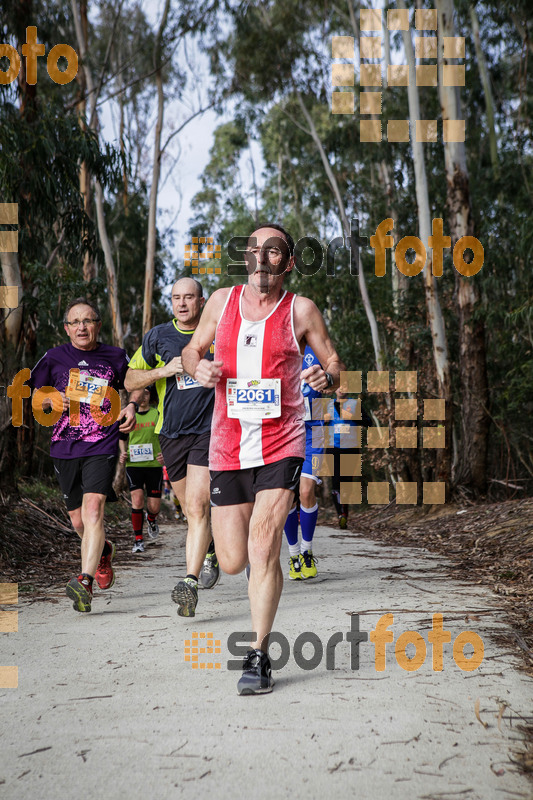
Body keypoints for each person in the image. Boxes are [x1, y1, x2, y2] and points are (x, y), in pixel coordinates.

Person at [182, 223, 344, 695]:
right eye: (254, 249)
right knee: (233, 560)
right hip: (228, 446)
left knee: (263, 542)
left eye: (272, 251)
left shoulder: (301, 311)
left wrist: (326, 379)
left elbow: (334, 362)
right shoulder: (221, 302)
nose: (261, 258)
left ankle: (258, 654)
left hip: (281, 442)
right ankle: (256, 568)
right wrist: (200, 366)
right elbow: (192, 351)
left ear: (287, 262)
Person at [30, 297, 136, 613]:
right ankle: (102, 551)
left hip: (102, 443)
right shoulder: (53, 357)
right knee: (78, 521)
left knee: (93, 510)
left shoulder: (116, 356)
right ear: (66, 328)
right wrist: (50, 401)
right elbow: (35, 395)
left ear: (97, 325)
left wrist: (130, 405)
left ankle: (85, 581)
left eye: (87, 320)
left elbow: (134, 385)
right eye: (75, 322)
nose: (82, 327)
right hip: (64, 446)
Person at [124, 277, 219, 615]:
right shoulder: (158, 337)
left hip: (209, 430)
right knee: (191, 511)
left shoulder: (218, 332)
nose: (182, 303)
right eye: (176, 297)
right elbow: (130, 378)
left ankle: (189, 583)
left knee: (196, 506)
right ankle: (209, 551)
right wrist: (164, 370)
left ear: (202, 300)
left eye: (189, 297)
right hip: (171, 432)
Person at [283, 345, 325, 580]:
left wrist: (327, 378)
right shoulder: (272, 344)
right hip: (284, 432)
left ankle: (307, 551)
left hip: (314, 432)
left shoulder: (314, 348)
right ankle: (293, 555)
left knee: (306, 490)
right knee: (287, 495)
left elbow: (338, 374)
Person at [119, 387, 164, 553]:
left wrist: (164, 455)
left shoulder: (157, 414)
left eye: (146, 392)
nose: (143, 397)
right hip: (134, 464)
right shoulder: (130, 415)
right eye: (139, 393)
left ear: (149, 394)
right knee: (137, 500)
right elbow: (122, 438)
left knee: (154, 507)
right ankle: (138, 539)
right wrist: (123, 453)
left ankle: (151, 518)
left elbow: (165, 436)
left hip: (154, 465)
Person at [326, 389, 363, 529]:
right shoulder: (328, 404)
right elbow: (317, 425)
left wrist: (353, 417)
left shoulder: (355, 403)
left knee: (346, 481)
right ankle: (340, 515)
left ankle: (345, 514)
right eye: (338, 385)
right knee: (335, 480)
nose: (341, 389)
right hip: (332, 447)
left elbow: (366, 421)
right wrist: (324, 420)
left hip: (351, 447)